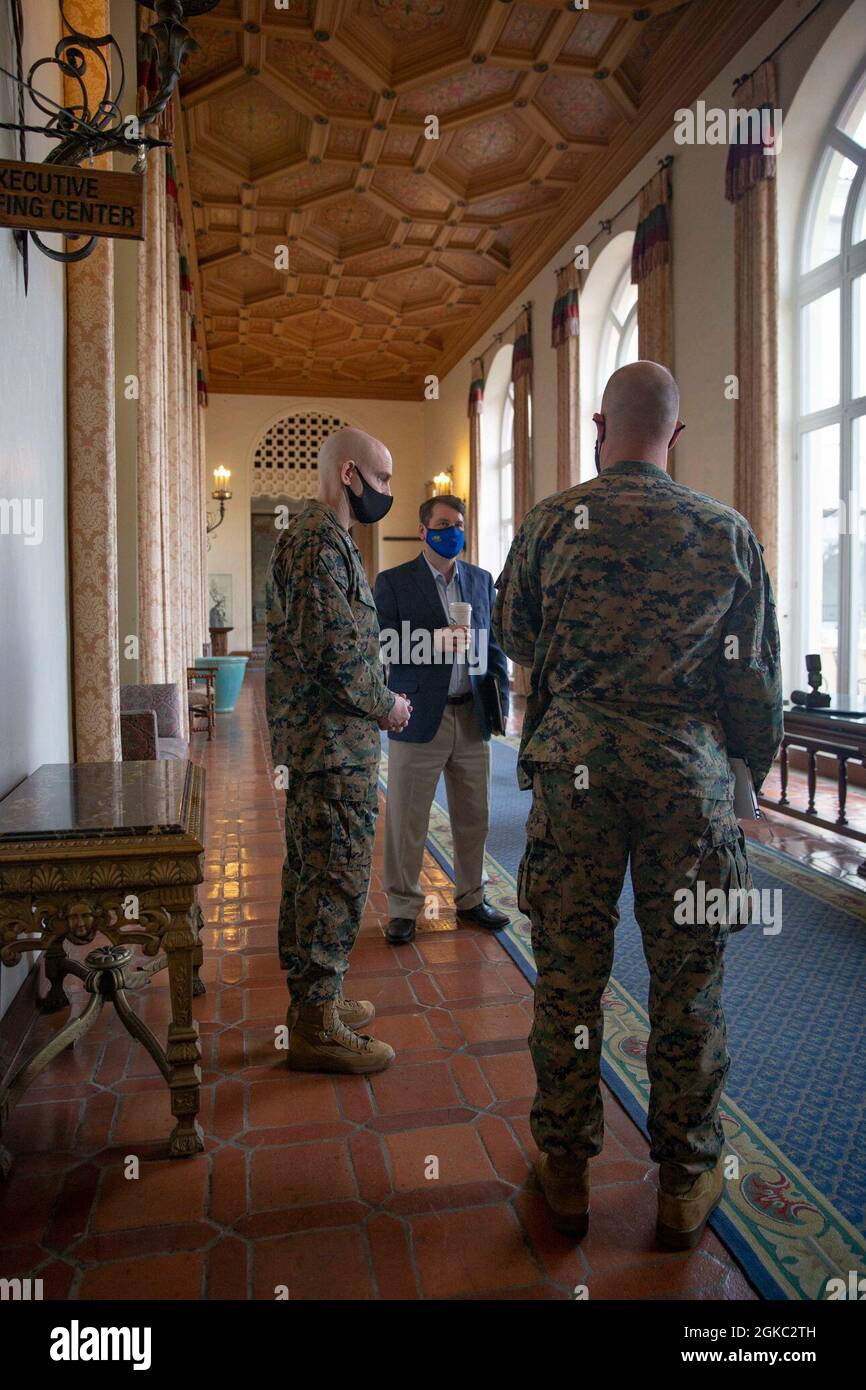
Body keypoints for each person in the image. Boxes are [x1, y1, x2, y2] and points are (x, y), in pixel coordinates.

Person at [493, 361, 783, 1249]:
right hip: (685, 788)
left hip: (575, 774)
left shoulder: (552, 521)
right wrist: (747, 776)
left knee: (571, 985)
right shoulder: (724, 531)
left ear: (597, 425)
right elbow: (754, 681)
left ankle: (569, 1170)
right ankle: (685, 1184)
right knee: (689, 987)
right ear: (678, 435)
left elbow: (513, 632)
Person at [265, 427, 412, 1075]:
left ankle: (312, 1002)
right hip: (332, 751)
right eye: (382, 479)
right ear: (350, 474)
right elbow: (336, 656)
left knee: (312, 871)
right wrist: (389, 705)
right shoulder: (317, 544)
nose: (387, 492)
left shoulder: (327, 542)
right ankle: (317, 1024)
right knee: (333, 877)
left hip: (328, 746)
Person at [374, 495, 511, 944]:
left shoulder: (480, 580)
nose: (451, 531)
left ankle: (472, 897)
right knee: (407, 819)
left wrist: (500, 704)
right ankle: (403, 906)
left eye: (458, 524)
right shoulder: (394, 582)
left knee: (475, 816)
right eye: (442, 524)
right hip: (418, 716)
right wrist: (433, 641)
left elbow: (493, 650)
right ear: (422, 531)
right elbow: (382, 646)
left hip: (470, 715)